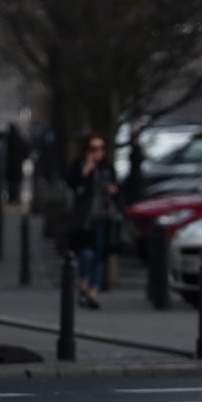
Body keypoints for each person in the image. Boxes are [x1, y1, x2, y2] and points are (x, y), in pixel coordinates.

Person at [64, 131, 122, 309]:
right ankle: (84, 282)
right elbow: (75, 189)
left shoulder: (107, 168)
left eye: (101, 148)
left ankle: (93, 290)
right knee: (86, 253)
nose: (98, 152)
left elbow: (115, 191)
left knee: (100, 254)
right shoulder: (79, 166)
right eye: (93, 149)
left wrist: (114, 191)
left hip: (103, 217)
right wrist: (85, 173)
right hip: (84, 219)